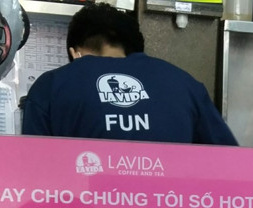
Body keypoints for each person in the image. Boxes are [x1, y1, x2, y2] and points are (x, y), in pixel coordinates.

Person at [22, 3, 237, 145]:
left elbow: (33, 172)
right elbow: (230, 163)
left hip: (85, 203)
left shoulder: (50, 87)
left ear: (74, 53)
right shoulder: (186, 85)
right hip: (171, 202)